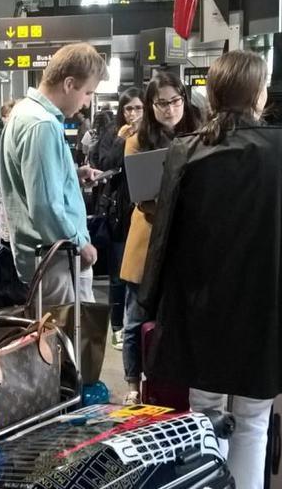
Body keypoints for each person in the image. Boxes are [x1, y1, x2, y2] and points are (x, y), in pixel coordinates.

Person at [138, 51, 282, 489]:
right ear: (258, 93)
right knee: (253, 420)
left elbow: (164, 237)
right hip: (266, 304)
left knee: (202, 415)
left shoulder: (186, 149)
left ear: (212, 94)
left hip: (201, 305)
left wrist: (150, 300)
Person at [0, 42, 107, 305]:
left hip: (47, 259)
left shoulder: (23, 113)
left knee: (54, 339)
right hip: (58, 259)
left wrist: (71, 174)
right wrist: (79, 245)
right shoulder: (42, 125)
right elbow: (45, 205)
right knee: (64, 342)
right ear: (69, 84)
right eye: (88, 93)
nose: (86, 103)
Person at [118, 72, 202, 403]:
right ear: (151, 106)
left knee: (174, 317)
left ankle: (168, 380)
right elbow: (143, 198)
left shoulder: (198, 136)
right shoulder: (138, 140)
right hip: (148, 239)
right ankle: (131, 384)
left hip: (183, 242)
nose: (169, 109)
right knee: (136, 315)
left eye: (175, 101)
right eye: (161, 103)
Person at [96, 87, 143, 351]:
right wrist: (121, 141)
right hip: (118, 212)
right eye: (128, 109)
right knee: (118, 274)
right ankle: (117, 327)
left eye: (138, 108)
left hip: (143, 209)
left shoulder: (151, 135)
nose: (133, 114)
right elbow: (104, 164)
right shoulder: (114, 135)